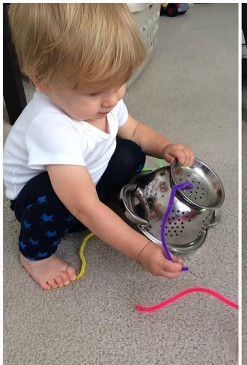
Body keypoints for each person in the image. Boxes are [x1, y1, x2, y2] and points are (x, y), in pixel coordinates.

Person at [4, 4, 195, 290]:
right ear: (41, 80)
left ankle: (109, 200)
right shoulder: (50, 127)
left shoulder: (104, 103)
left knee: (131, 152)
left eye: (120, 82)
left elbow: (135, 130)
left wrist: (164, 146)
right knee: (56, 201)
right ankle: (34, 255)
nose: (112, 100)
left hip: (86, 176)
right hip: (40, 198)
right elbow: (85, 208)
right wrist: (141, 251)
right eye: (94, 91)